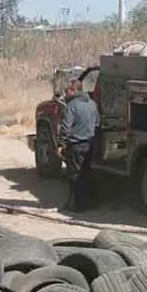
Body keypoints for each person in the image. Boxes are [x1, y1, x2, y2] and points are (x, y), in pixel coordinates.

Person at [58, 78, 100, 213]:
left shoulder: (72, 106)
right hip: (89, 144)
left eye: (66, 91)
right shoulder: (92, 104)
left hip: (75, 145)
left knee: (75, 175)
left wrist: (61, 143)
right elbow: (97, 123)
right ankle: (90, 202)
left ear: (73, 90)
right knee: (87, 173)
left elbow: (65, 127)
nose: (65, 94)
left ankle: (77, 205)